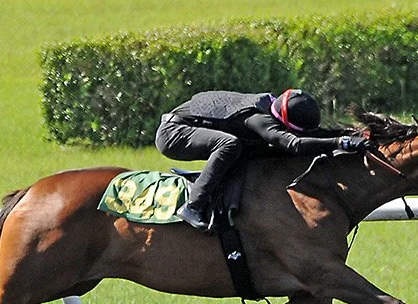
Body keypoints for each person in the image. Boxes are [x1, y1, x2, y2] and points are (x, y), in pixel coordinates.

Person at [154, 89, 376, 229]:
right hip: (173, 134)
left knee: (259, 149)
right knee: (230, 145)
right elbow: (295, 144)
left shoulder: (272, 105)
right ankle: (193, 206)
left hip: (190, 125)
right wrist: (340, 143)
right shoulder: (260, 120)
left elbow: (307, 136)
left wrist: (352, 135)